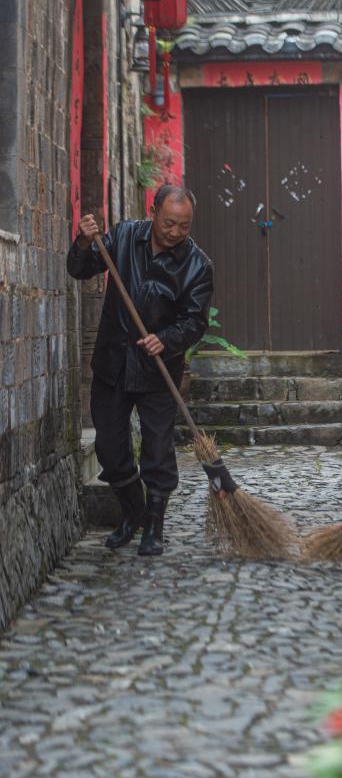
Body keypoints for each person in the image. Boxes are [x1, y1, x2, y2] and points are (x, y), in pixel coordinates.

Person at [67, 185, 214, 557]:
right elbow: (79, 269)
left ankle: (154, 525)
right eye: (169, 223)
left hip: (157, 371)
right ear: (153, 213)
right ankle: (133, 510)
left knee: (157, 449)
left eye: (184, 226)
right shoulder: (123, 237)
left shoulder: (198, 266)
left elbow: (195, 322)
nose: (175, 232)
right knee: (109, 448)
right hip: (114, 364)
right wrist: (84, 242)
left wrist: (165, 339)